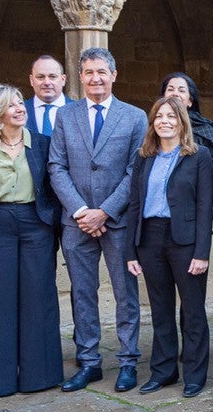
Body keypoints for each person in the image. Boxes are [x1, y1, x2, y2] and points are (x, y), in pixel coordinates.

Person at [49, 48, 147, 392]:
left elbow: (136, 170)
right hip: (76, 222)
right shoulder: (65, 116)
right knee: (83, 293)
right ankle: (89, 361)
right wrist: (81, 211)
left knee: (125, 292)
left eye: (101, 71)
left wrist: (104, 210)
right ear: (80, 76)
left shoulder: (134, 117)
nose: (95, 78)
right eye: (88, 72)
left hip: (116, 220)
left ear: (114, 75)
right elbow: (56, 166)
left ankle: (128, 361)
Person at [0, 84, 62, 396]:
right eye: (11, 105)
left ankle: (40, 376)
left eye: (21, 103)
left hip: (36, 225)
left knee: (39, 299)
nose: (21, 108)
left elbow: (54, 189)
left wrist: (55, 227)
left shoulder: (44, 144)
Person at [125, 97, 213, 397]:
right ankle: (163, 371)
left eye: (171, 116)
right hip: (150, 238)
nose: (164, 121)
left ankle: (194, 374)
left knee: (193, 310)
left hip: (185, 241)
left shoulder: (198, 157)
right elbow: (134, 205)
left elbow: (204, 207)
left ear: (181, 121)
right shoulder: (143, 157)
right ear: (153, 123)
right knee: (160, 310)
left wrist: (202, 252)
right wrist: (130, 251)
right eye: (159, 116)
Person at [161, 72, 213, 159]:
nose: (175, 94)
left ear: (190, 101)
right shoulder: (156, 126)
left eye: (181, 90)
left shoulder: (206, 131)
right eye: (170, 89)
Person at [23, 54, 73, 138]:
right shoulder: (20, 111)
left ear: (63, 80)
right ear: (31, 80)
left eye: (52, 77)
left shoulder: (78, 111)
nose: (46, 82)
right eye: (40, 77)